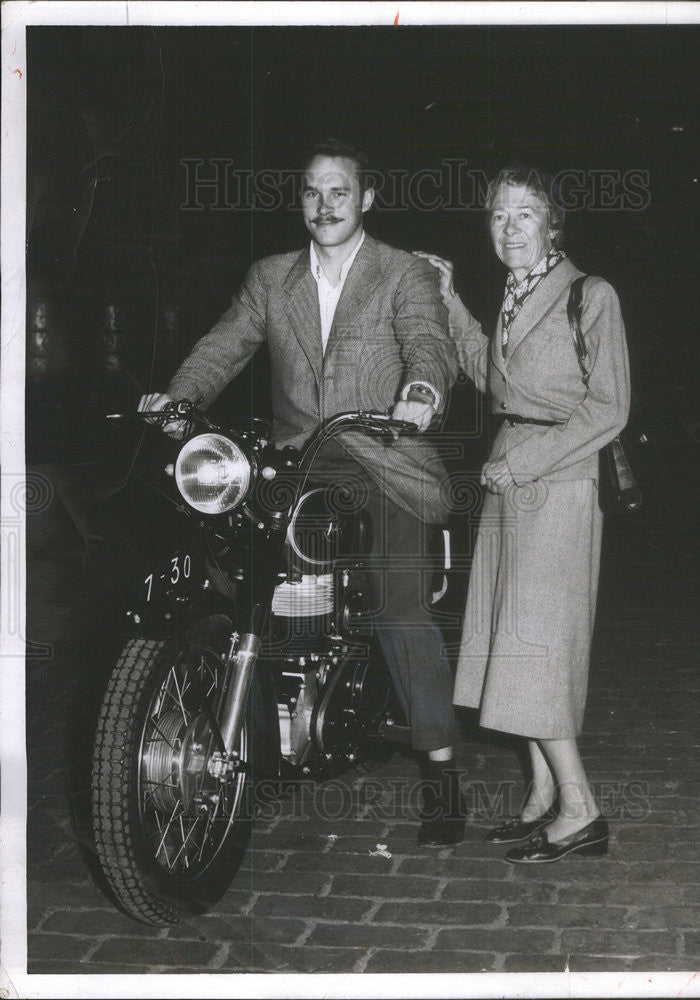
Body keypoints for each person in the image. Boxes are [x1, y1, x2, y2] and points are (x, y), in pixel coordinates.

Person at [139, 139, 465, 846]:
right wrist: (178, 398)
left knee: (396, 600)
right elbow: (225, 343)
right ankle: (247, 718)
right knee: (228, 564)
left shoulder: (402, 272)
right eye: (314, 193)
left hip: (383, 456)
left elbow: (428, 343)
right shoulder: (270, 276)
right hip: (297, 460)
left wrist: (419, 393)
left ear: (366, 199)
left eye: (340, 192)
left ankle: (440, 770)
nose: (325, 206)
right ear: (301, 201)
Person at [415, 163, 630, 862]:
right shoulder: (513, 294)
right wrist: (448, 300)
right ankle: (541, 797)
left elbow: (609, 407)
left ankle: (581, 809)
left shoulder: (589, 294)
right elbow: (489, 374)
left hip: (558, 481)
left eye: (524, 214)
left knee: (538, 644)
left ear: (553, 223)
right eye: (498, 216)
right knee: (514, 641)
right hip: (510, 482)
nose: (509, 228)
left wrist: (526, 464)